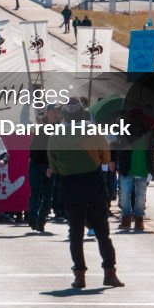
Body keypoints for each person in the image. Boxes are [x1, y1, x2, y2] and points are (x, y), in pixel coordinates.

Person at [48, 104, 123, 289]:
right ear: (82, 115)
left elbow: (54, 164)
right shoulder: (94, 131)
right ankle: (109, 273)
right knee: (103, 234)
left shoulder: (56, 135)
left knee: (75, 234)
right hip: (93, 188)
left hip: (70, 189)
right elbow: (106, 158)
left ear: (64, 116)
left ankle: (79, 276)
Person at [114, 110, 154, 233]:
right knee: (126, 196)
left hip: (142, 168)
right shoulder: (124, 131)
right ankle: (127, 218)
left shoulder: (149, 132)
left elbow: (152, 152)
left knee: (139, 196)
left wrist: (152, 169)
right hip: (127, 168)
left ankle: (138, 219)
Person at [27, 104, 61, 233]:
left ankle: (41, 221)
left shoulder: (59, 127)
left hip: (49, 165)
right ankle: (33, 219)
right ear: (48, 112)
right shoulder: (39, 123)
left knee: (47, 196)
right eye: (54, 111)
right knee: (35, 194)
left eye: (57, 112)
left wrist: (52, 166)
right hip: (35, 163)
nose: (56, 114)